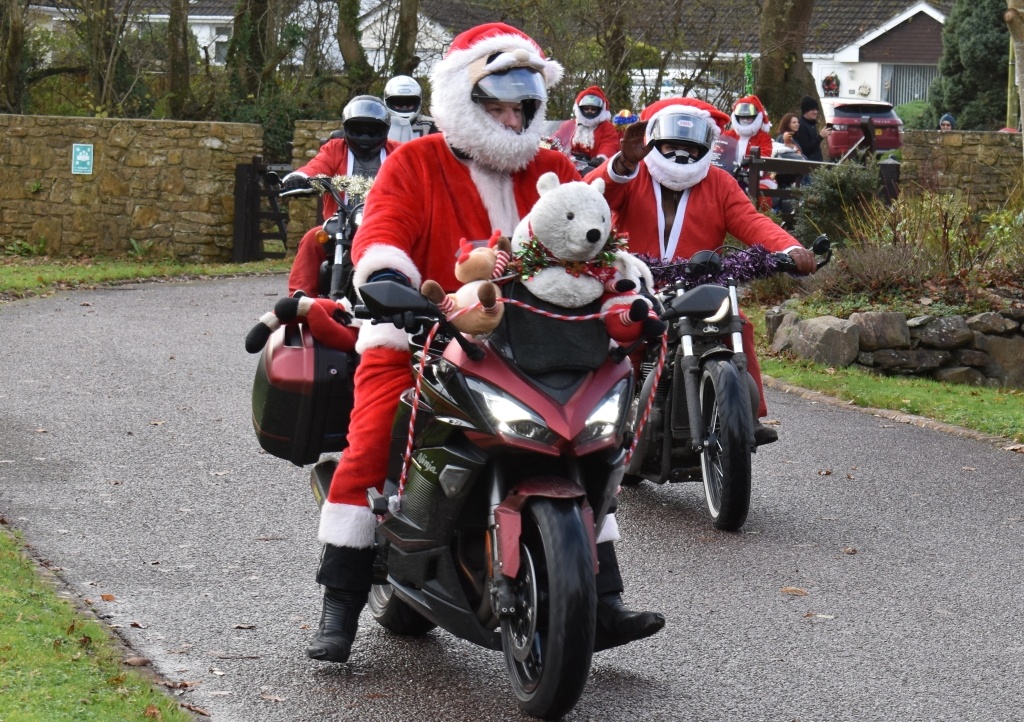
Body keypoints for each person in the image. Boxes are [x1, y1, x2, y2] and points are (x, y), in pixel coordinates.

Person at [306, 22, 665, 665]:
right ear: (462, 101)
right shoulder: (416, 162)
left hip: (545, 344)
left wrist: (630, 284)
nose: (509, 117)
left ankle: (600, 597)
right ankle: (341, 603)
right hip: (421, 334)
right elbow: (383, 229)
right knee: (371, 437)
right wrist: (388, 277)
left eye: (520, 107)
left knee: (592, 445)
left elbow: (599, 239)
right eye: (494, 105)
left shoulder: (554, 166)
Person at [584, 97, 817, 443]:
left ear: (705, 147)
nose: (681, 154)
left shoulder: (720, 182)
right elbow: (590, 199)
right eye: (671, 145)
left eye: (690, 147)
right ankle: (601, 418)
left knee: (739, 326)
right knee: (620, 336)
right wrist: (622, 163)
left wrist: (790, 248)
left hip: (700, 289)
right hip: (635, 286)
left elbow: (752, 221)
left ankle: (745, 419)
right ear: (653, 143)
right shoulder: (633, 173)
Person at [281, 96, 401, 297]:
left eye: (372, 130)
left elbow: (416, 173)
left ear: (385, 130)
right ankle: (299, 299)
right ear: (346, 128)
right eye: (358, 129)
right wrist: (298, 177)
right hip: (342, 223)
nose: (364, 136)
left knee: (418, 242)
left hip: (387, 223)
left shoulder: (397, 151)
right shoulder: (335, 148)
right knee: (313, 238)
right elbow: (316, 167)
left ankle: (424, 296)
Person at [557, 86, 620, 166]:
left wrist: (602, 158)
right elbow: (558, 138)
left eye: (593, 109)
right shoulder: (569, 125)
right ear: (580, 109)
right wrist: (548, 143)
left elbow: (609, 144)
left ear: (599, 110)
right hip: (569, 164)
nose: (589, 111)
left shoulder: (606, 127)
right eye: (586, 108)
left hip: (593, 167)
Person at [383, 75, 438, 141]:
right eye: (399, 103)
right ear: (389, 102)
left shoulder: (430, 125)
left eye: (409, 103)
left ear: (417, 102)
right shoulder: (381, 125)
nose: (404, 107)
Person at [794, 95, 831, 163]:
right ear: (806, 110)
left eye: (817, 109)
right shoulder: (801, 125)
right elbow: (805, 149)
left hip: (816, 163)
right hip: (809, 164)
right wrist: (820, 136)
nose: (816, 112)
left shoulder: (811, 124)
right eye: (813, 109)